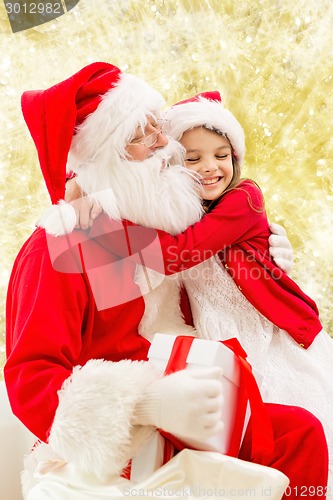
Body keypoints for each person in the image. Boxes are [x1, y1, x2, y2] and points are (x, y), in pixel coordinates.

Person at [4, 62, 328, 499]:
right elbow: (32, 375)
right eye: (143, 135)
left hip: (192, 404)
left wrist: (268, 250)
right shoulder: (62, 246)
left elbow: (208, 245)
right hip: (122, 439)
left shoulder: (142, 228)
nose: (165, 144)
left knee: (300, 433)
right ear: (106, 156)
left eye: (160, 127)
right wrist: (146, 405)